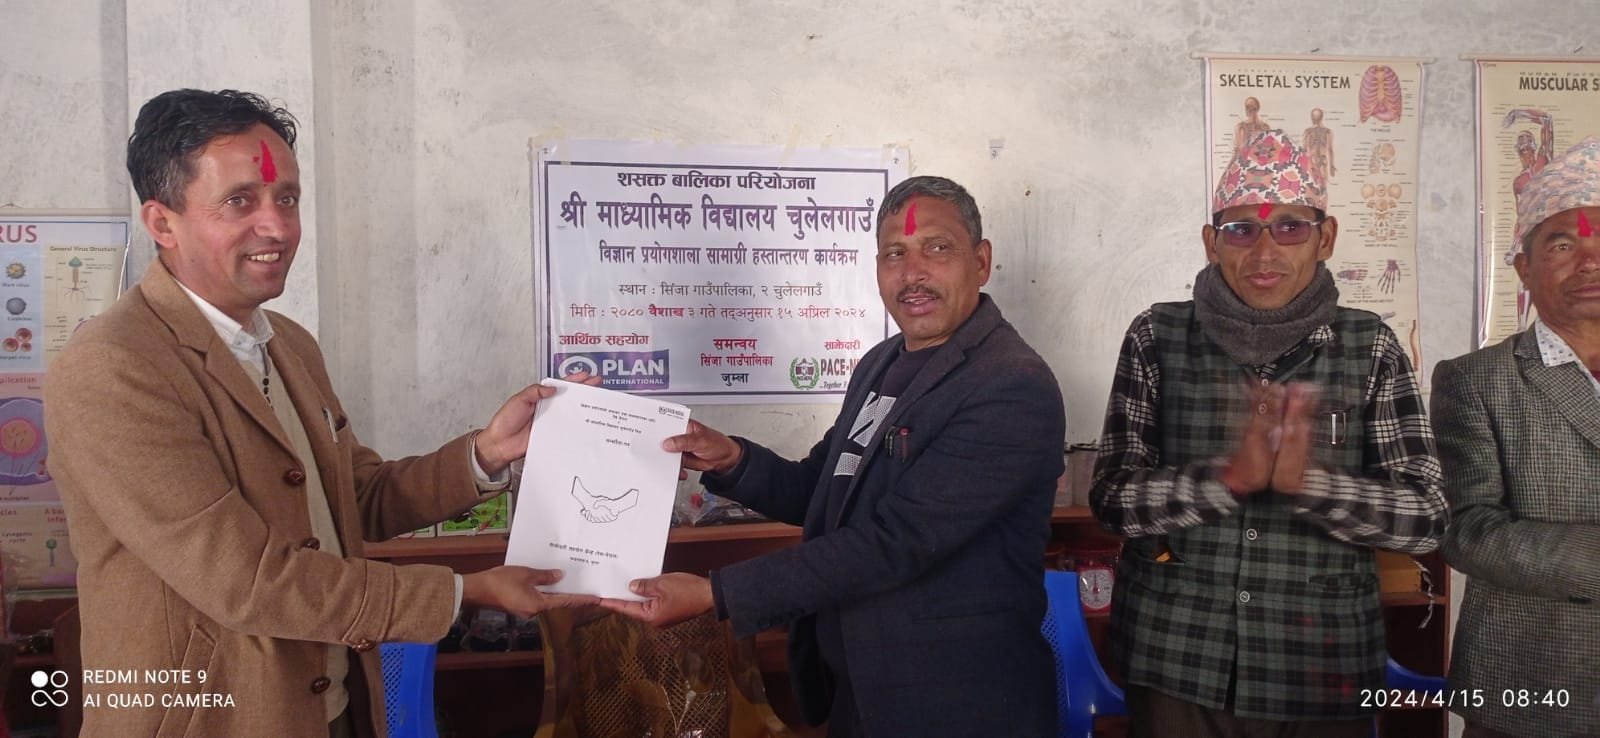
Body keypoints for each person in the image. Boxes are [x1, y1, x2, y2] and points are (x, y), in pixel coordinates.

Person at [44, 89, 595, 738]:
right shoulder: (114, 365)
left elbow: (352, 499)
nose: (277, 228)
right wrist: (465, 591)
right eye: (240, 201)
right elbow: (247, 581)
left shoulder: (288, 344)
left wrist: (486, 454)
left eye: (287, 198)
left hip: (330, 707)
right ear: (162, 223)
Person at [603, 176, 1065, 737]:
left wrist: (715, 594)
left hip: (957, 703)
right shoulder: (880, 364)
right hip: (862, 691)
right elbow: (819, 491)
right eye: (894, 253)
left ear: (982, 261)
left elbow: (895, 543)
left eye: (937, 248)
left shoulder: (1011, 385)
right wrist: (731, 459)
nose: (913, 272)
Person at [1090, 129, 1447, 737]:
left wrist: (1311, 485)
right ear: (1211, 243)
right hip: (1177, 659)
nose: (1264, 251)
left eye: (1290, 227)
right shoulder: (1157, 336)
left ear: (1325, 238)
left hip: (1322, 666)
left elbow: (1426, 519)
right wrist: (1224, 481)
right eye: (1241, 230)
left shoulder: (1371, 347)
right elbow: (1111, 501)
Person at [1431, 137, 1600, 738]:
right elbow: (1463, 529)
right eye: (1563, 243)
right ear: (1524, 266)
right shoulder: (1476, 380)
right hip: (1531, 683)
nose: (1590, 262)